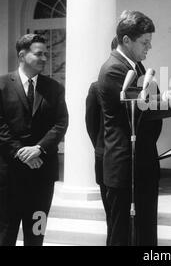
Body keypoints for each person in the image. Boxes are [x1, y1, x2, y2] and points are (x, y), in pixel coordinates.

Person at [97, 11, 163, 246]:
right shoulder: (114, 69)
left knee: (144, 232)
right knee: (123, 235)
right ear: (126, 40)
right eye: (145, 42)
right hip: (126, 166)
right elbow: (142, 112)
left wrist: (165, 99)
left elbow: (150, 102)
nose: (149, 47)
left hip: (141, 163)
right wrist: (167, 103)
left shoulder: (136, 65)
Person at [0, 34, 68, 246]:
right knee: (5, 233)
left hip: (42, 176)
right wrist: (22, 153)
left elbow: (61, 123)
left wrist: (39, 149)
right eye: (39, 54)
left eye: (45, 54)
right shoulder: (2, 86)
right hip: (9, 177)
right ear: (22, 55)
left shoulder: (54, 88)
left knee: (36, 234)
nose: (44, 58)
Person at [84, 37, 118, 245]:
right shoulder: (96, 88)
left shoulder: (145, 84)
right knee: (112, 217)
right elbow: (91, 124)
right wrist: (103, 148)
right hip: (105, 157)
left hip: (135, 161)